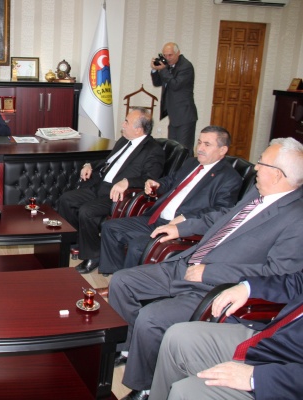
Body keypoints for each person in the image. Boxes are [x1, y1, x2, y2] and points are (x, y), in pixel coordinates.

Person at [108, 137, 303, 400]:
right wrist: (181, 228)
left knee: (150, 318)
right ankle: (129, 349)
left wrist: (210, 272)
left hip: (215, 286)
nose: (255, 167)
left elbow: (276, 275)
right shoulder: (258, 193)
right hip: (188, 262)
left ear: (278, 174)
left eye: (261, 162)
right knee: (121, 282)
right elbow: (222, 218)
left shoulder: (296, 218)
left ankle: (144, 385)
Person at [96, 126, 242, 280]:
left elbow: (221, 211)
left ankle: (127, 284)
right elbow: (171, 180)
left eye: (207, 144)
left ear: (222, 150)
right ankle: (115, 274)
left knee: (137, 246)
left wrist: (186, 217)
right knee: (110, 227)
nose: (200, 148)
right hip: (157, 217)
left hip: (180, 227)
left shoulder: (229, 178)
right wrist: (157, 184)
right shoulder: (192, 163)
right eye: (199, 142)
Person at [150, 272, 303, 400]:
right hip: (281, 338)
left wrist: (257, 378)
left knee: (185, 392)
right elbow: (298, 281)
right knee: (177, 337)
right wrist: (248, 288)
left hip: (287, 379)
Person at [57, 107, 165, 275]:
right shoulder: (123, 141)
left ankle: (94, 256)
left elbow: (151, 179)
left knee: (87, 211)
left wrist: (128, 182)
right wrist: (90, 165)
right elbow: (108, 161)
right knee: (66, 199)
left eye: (127, 122)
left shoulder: (153, 150)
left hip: (119, 196)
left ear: (138, 129)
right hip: (100, 186)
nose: (123, 124)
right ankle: (75, 242)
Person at [151, 42, 198, 153]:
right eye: (165, 55)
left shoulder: (186, 66)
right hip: (174, 115)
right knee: (173, 148)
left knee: (184, 149)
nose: (167, 58)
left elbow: (175, 85)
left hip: (185, 115)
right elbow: (157, 82)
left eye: (170, 55)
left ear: (178, 53)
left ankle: (186, 165)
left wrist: (163, 69)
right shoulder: (169, 66)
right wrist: (155, 69)